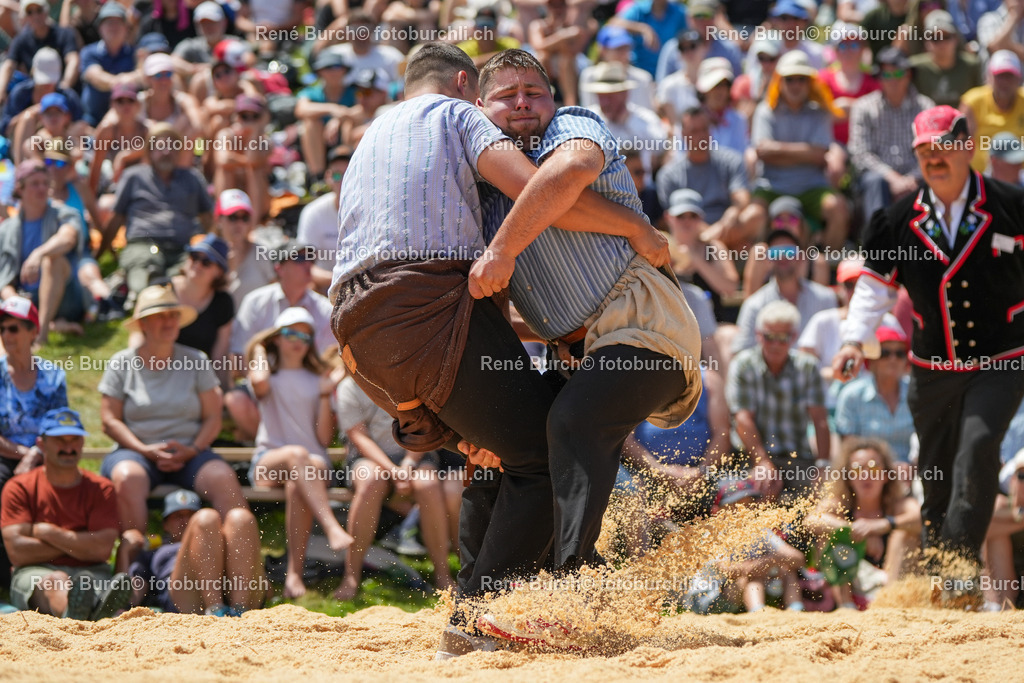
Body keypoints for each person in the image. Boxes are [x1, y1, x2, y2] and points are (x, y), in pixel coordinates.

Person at [326, 43, 665, 658]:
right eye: (495, 97)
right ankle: (482, 616)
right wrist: (635, 225)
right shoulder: (458, 117)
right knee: (540, 453)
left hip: (356, 335)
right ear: (464, 84)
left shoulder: (369, 139)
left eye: (527, 95)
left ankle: (493, 607)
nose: (511, 107)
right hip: (425, 306)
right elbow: (544, 192)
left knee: (493, 452)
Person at [470, 50, 701, 638]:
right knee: (508, 448)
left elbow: (569, 173)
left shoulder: (573, 123)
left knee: (571, 424)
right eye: (506, 94)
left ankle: (575, 589)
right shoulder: (483, 185)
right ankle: (484, 604)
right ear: (478, 107)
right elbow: (498, 305)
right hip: (575, 350)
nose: (523, 101)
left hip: (643, 322)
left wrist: (501, 251)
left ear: (553, 98)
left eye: (533, 90)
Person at [833, 104, 1024, 567]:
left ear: (968, 147)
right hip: (932, 369)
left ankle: (959, 571)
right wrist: (854, 340)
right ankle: (939, 577)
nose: (934, 159)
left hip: (1000, 362)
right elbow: (873, 289)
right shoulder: (896, 220)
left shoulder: (1013, 206)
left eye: (943, 148)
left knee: (976, 453)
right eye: (924, 151)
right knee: (936, 480)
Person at [99, 284, 248, 573]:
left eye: (173, 315)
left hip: (190, 450)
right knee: (127, 477)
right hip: (136, 451)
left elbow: (213, 418)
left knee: (223, 477)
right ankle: (134, 572)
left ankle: (239, 568)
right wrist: (144, 449)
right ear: (142, 323)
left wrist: (192, 448)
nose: (169, 321)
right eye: (160, 315)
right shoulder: (122, 363)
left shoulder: (196, 360)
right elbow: (109, 420)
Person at [244, 308, 354, 599]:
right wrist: (258, 348)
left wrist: (323, 392)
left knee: (299, 479)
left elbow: (321, 439)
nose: (298, 341)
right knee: (296, 455)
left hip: (309, 467)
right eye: (291, 333)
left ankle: (294, 575)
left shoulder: (317, 378)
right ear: (277, 338)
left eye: (305, 335)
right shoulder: (267, 372)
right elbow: (258, 383)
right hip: (270, 462)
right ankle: (331, 527)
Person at [334, 374, 457, 601]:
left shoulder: (412, 379)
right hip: (367, 459)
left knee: (428, 485)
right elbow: (359, 438)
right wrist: (393, 470)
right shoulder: (348, 387)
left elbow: (426, 428)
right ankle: (351, 576)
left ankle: (443, 575)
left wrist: (408, 464)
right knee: (371, 481)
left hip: (416, 455)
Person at [1, 408, 131, 620]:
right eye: (60, 440)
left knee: (88, 584)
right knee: (57, 580)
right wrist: (80, 545)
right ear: (41, 444)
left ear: (82, 444)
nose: (68, 447)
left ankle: (90, 612)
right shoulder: (19, 487)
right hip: (35, 572)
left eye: (74, 440)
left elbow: (101, 550)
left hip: (92, 572)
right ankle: (83, 615)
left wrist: (47, 532)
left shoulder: (102, 489)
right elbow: (18, 552)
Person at [727, 300, 830, 500]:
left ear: (794, 337)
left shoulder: (808, 367)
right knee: (741, 501)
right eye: (769, 337)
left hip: (798, 460)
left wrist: (823, 465)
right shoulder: (743, 364)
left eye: (782, 338)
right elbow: (742, 419)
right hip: (750, 459)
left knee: (823, 505)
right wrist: (762, 462)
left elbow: (820, 419)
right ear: (758, 335)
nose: (775, 344)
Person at [99, 123, 214, 301]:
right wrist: (100, 253)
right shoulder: (133, 176)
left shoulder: (192, 178)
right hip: (144, 244)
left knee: (190, 274)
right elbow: (116, 217)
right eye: (161, 146)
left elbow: (209, 220)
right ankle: (147, 290)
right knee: (145, 270)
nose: (167, 151)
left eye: (173, 146)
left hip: (181, 250)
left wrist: (216, 247)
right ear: (150, 151)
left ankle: (166, 285)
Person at [750, 50, 850, 250]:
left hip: (812, 188)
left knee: (839, 209)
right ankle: (762, 267)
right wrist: (807, 154)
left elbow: (819, 155)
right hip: (772, 187)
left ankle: (826, 264)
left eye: (801, 79)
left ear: (809, 83)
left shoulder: (819, 112)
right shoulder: (765, 110)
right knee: (752, 217)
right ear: (780, 81)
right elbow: (763, 152)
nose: (796, 85)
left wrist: (778, 152)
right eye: (790, 79)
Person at [0, 296, 68, 589]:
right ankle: (7, 573)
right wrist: (23, 454)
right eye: (2, 329)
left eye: (14, 328)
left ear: (33, 331)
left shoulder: (53, 376)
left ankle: (65, 571)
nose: (6, 335)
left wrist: (35, 454)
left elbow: (60, 423)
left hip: (47, 455)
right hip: (5, 455)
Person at [806, 439, 921, 607]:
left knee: (904, 534)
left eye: (873, 468)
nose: (866, 475)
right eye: (858, 469)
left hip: (889, 585)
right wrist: (856, 531)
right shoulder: (841, 505)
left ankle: (890, 604)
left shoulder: (898, 504)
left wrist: (883, 525)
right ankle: (846, 606)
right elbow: (812, 520)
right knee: (830, 533)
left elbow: (920, 518)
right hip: (853, 587)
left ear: (886, 475)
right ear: (848, 477)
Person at [130, 489, 266, 616]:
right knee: (206, 518)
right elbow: (132, 597)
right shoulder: (153, 550)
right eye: (177, 516)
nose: (185, 521)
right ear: (165, 524)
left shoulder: (222, 537)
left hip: (235, 587)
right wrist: (125, 552)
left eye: (190, 515)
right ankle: (215, 610)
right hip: (187, 594)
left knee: (241, 517)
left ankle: (239, 609)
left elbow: (267, 589)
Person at [0, 160, 85, 348]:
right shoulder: (6, 230)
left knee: (51, 260)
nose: (42, 188)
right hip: (27, 299)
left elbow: (68, 238)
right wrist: (16, 302)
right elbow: (3, 280)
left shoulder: (64, 213)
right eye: (35, 183)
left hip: (67, 298)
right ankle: (47, 324)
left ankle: (41, 334)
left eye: (45, 183)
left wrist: (38, 254)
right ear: (20, 189)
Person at [656, 106, 764, 252]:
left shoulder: (731, 160)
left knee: (756, 213)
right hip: (693, 229)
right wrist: (715, 232)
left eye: (704, 129)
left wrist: (732, 213)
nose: (701, 136)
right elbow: (674, 219)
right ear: (683, 134)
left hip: (727, 227)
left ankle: (713, 248)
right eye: (694, 131)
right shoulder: (669, 175)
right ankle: (723, 249)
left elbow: (741, 196)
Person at [848, 47, 934, 225]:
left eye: (898, 73)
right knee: (874, 181)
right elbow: (860, 154)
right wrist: (892, 178)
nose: (893, 80)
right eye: (886, 75)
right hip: (879, 178)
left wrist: (912, 178)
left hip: (917, 178)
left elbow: (933, 151)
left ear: (908, 74)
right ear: (879, 78)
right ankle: (878, 245)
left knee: (935, 177)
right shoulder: (863, 107)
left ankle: (930, 247)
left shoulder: (926, 108)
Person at [834, 325, 916, 472]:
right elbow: (849, 448)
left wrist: (912, 468)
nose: (893, 359)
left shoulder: (916, 393)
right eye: (885, 353)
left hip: (912, 473)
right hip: (865, 475)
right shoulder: (852, 395)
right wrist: (885, 470)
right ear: (870, 360)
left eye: (899, 353)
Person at [172, 234, 235, 387]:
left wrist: (219, 392)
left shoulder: (223, 302)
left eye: (206, 262)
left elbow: (219, 356)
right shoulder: (162, 289)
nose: (198, 265)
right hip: (158, 372)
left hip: (198, 380)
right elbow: (140, 337)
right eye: (194, 256)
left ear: (219, 272)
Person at [296, 146, 352, 294]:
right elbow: (304, 264)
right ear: (328, 177)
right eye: (337, 176)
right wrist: (339, 280)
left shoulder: (369, 212)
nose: (343, 182)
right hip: (324, 290)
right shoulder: (313, 212)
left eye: (348, 175)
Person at [960, 50, 1024, 173]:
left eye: (1009, 76)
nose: (1004, 82)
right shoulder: (973, 101)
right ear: (988, 77)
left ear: (1019, 79)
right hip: (981, 175)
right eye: (999, 76)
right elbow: (961, 144)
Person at [78, 1, 137, 127]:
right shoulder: (89, 52)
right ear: (100, 28)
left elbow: (144, 75)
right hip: (92, 122)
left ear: (126, 28)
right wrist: (124, 81)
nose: (114, 27)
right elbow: (96, 77)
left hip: (129, 122)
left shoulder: (134, 53)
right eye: (109, 23)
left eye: (118, 22)